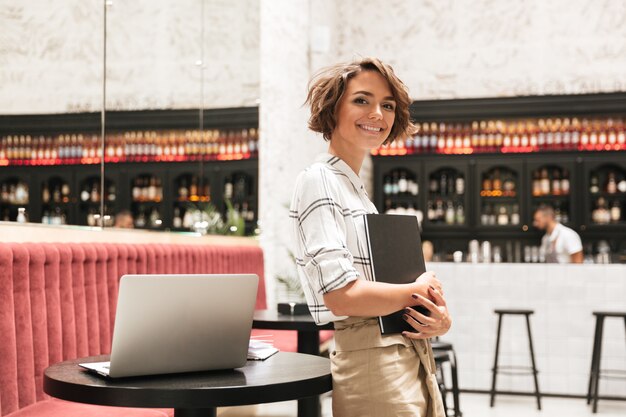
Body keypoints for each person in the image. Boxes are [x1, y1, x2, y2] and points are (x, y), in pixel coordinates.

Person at [290, 57, 450, 417]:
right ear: (333, 109)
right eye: (362, 100)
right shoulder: (319, 180)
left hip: (405, 353)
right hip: (371, 361)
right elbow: (342, 297)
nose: (377, 113)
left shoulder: (357, 193)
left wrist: (435, 318)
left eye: (388, 105)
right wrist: (418, 290)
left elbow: (381, 294)